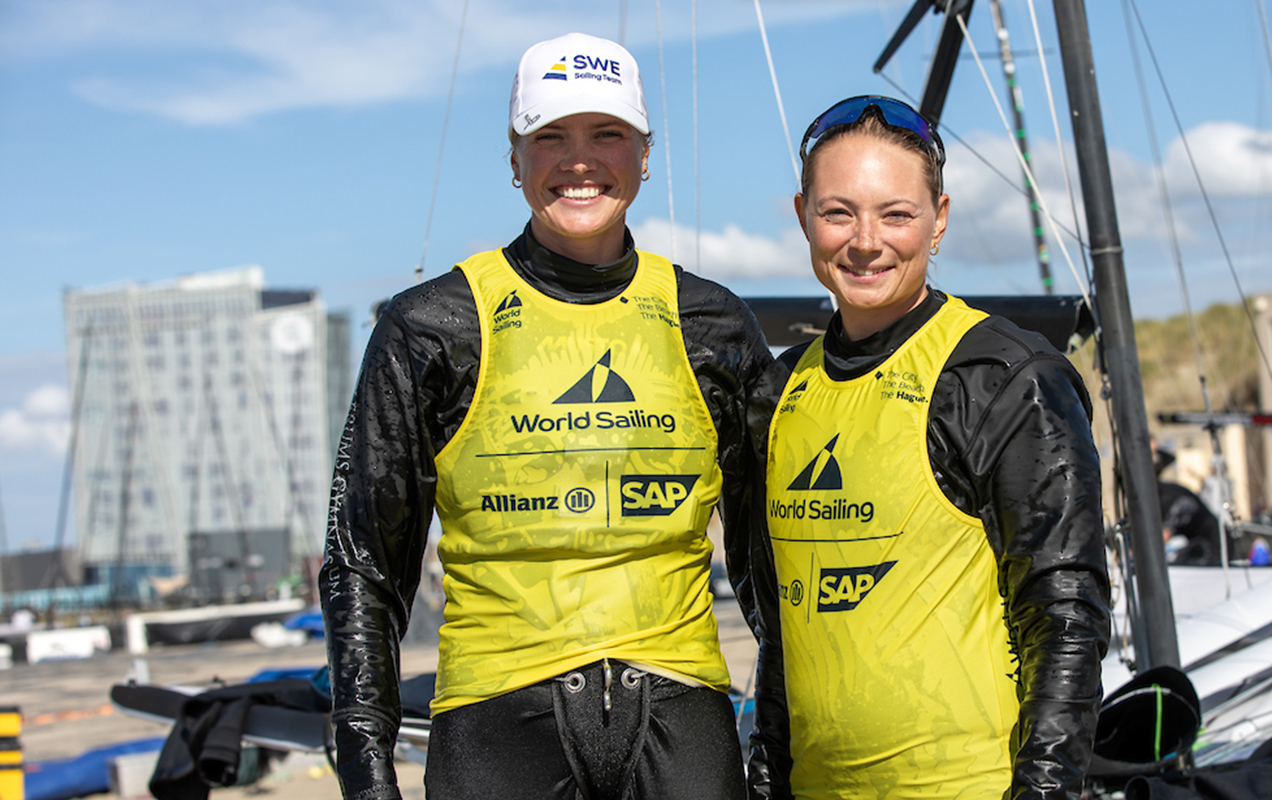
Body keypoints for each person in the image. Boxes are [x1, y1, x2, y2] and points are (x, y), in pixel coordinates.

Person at [319, 32, 770, 800]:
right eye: (550, 137)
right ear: (515, 158)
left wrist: (776, 751)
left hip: (680, 711)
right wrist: (366, 774)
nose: (580, 160)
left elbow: (770, 566)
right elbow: (364, 564)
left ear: (645, 153)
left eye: (607, 134)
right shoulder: (432, 327)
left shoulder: (712, 323)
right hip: (496, 721)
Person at [740, 96, 1110, 799]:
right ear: (803, 217)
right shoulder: (780, 392)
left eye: (896, 213)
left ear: (938, 220)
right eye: (838, 211)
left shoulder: (1006, 377)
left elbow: (1067, 615)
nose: (866, 240)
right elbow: (780, 629)